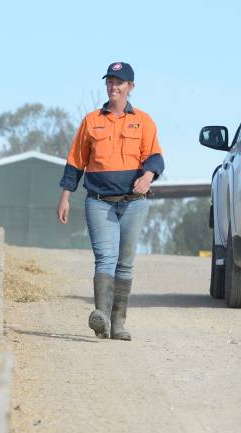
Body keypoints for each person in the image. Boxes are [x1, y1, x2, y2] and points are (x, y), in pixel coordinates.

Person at [57, 61, 164, 341]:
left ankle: (118, 324)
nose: (113, 86)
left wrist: (149, 175)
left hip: (134, 203)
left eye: (119, 82)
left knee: (125, 263)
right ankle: (101, 317)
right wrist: (65, 196)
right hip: (99, 202)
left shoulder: (144, 121)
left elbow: (154, 157)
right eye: (110, 81)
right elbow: (75, 161)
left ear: (130, 87)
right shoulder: (92, 121)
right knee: (105, 257)